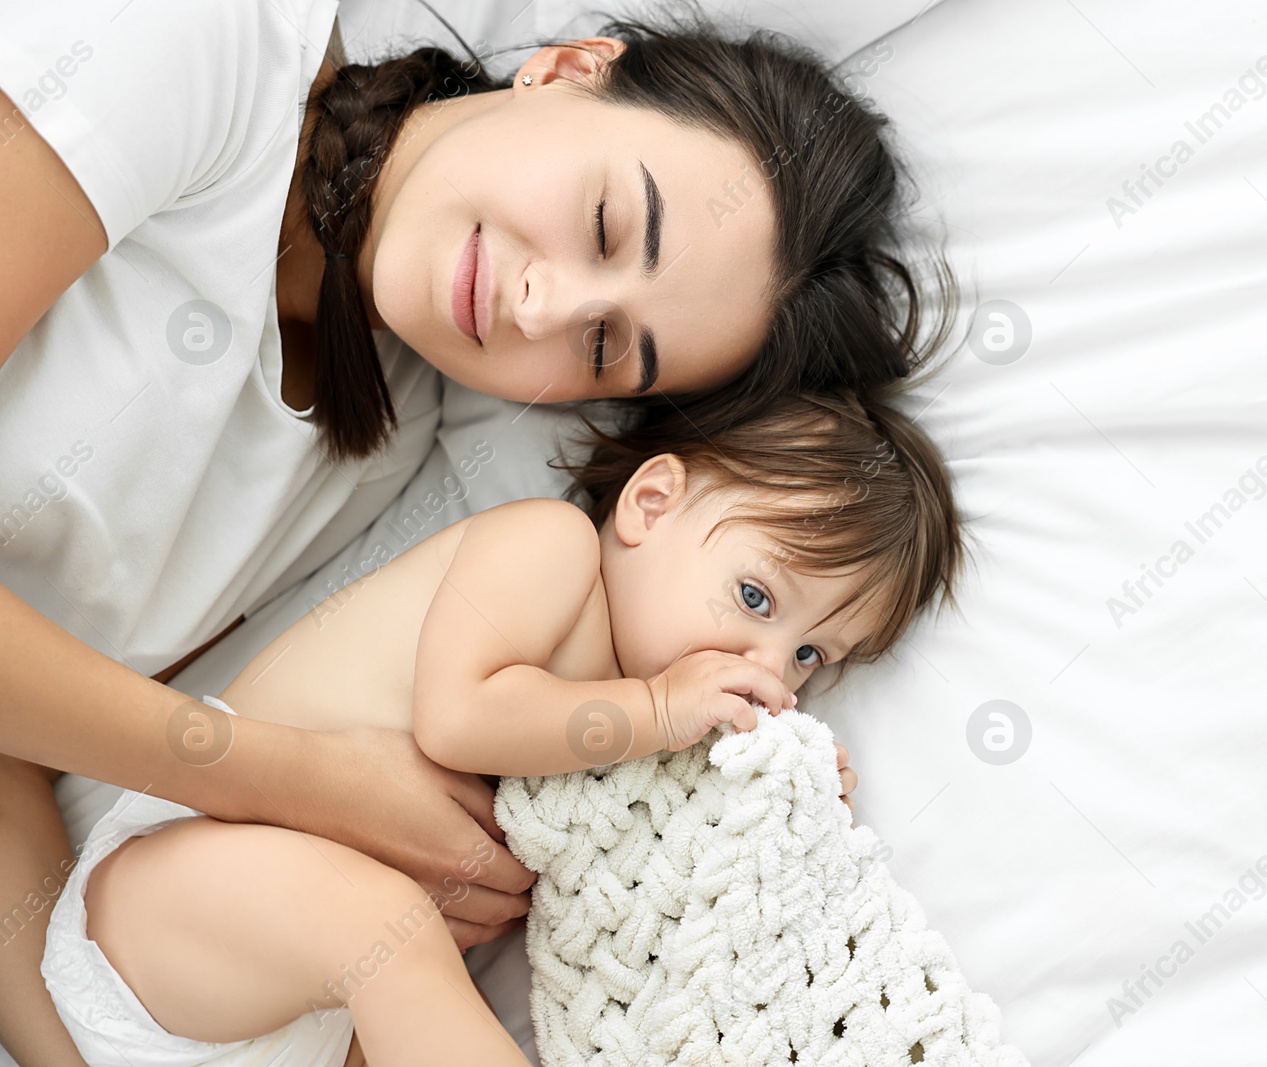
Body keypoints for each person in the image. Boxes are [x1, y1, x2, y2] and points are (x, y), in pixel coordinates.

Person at [0, 2, 953, 1062]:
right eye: (603, 221)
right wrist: (294, 778)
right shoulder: (204, 43)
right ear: (570, 67)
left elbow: (29, 736)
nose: (542, 308)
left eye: (604, 347)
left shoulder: (389, 442)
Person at [40, 390, 964, 1067]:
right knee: (386, 929)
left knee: (408, 970)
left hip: (304, 1024)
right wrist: (659, 712)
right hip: (172, 893)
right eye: (756, 596)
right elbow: (460, 718)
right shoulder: (547, 549)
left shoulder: (657, 722)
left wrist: (778, 804)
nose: (767, 666)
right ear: (650, 505)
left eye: (810, 657)